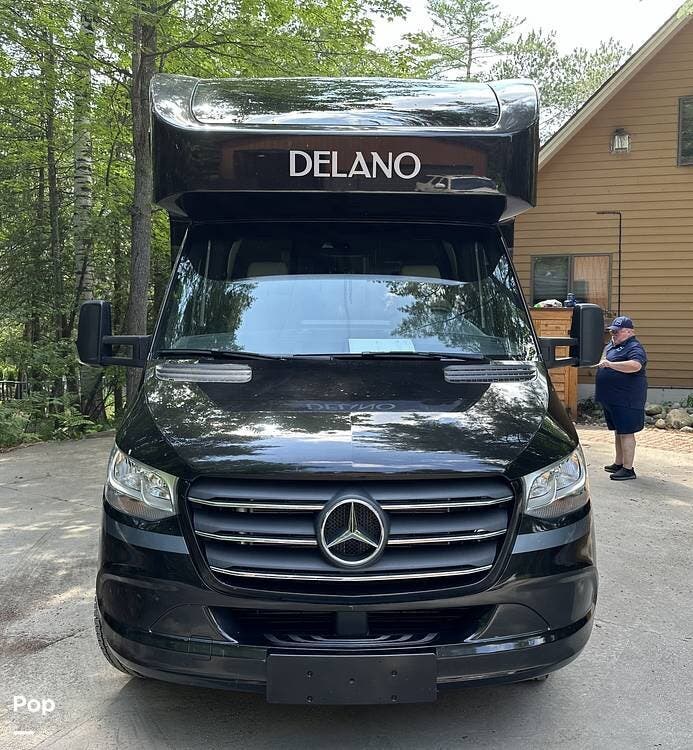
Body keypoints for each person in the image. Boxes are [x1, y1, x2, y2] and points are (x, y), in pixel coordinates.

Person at [594, 316, 648, 481]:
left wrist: (610, 365)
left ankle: (628, 469)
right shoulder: (612, 345)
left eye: (617, 332)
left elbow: (635, 365)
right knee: (619, 431)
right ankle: (619, 463)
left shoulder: (634, 347)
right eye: (612, 331)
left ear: (629, 332)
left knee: (627, 433)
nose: (613, 334)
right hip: (612, 398)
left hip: (627, 399)